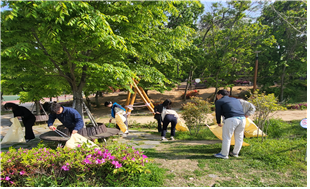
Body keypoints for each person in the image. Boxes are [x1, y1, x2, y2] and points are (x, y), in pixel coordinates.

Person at [214, 89, 246, 159]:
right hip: (242, 119)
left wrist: (218, 122)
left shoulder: (219, 101)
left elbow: (218, 113)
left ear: (220, 95)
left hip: (232, 119)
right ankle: (235, 153)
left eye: (217, 95)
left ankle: (224, 154)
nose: (217, 97)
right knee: (239, 137)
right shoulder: (235, 99)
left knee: (227, 137)